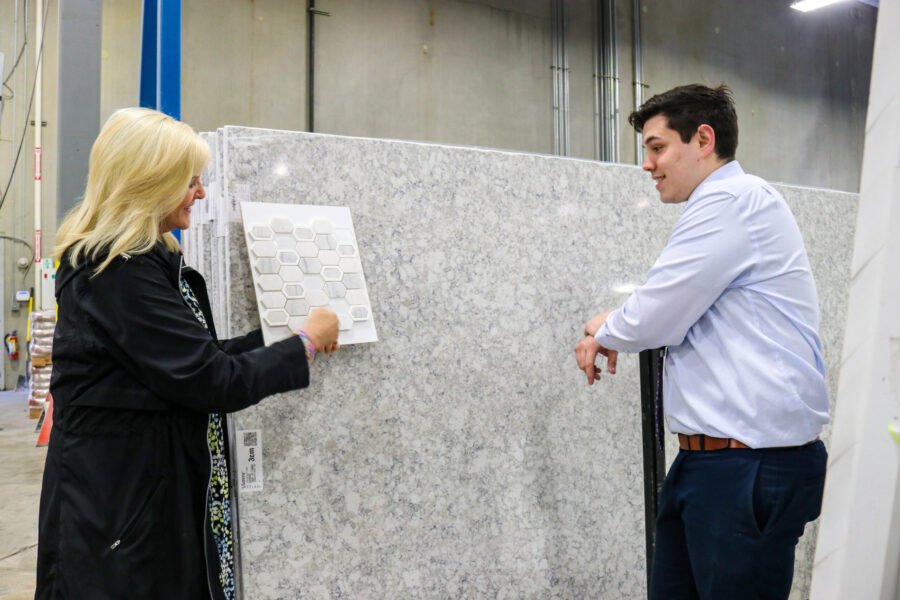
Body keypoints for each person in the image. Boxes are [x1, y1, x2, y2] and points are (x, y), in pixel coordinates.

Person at [35, 107, 340, 599]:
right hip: (119, 511)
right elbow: (210, 378)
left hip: (137, 494)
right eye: (190, 180)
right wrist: (301, 345)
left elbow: (194, 354)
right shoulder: (115, 271)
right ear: (148, 182)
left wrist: (282, 334)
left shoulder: (143, 262)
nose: (200, 192)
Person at [574, 84, 829, 599]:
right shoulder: (724, 206)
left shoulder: (734, 200)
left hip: (746, 466)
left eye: (657, 146)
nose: (648, 164)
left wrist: (603, 326)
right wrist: (620, 323)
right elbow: (666, 307)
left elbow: (656, 314)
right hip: (713, 461)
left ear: (704, 139)